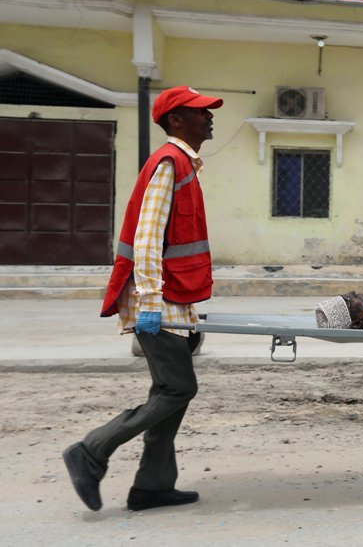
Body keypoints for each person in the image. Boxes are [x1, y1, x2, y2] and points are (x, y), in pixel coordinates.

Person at [62, 86, 223, 513]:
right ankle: (91, 451)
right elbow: (147, 237)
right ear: (176, 120)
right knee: (177, 388)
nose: (210, 118)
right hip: (159, 301)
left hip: (173, 300)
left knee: (168, 390)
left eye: (209, 112)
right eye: (201, 112)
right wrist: (151, 299)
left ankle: (153, 486)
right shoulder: (169, 163)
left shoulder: (182, 163)